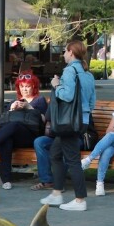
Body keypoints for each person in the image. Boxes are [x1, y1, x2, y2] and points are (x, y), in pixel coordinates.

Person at [39, 41, 96, 212]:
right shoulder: (88, 74)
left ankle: (80, 200)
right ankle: (57, 193)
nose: (63, 54)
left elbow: (67, 95)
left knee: (72, 160)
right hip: (82, 120)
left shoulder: (70, 71)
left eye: (65, 51)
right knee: (55, 154)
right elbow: (92, 101)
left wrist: (56, 85)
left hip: (69, 122)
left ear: (71, 52)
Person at [0, 72, 47, 189]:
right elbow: (3, 122)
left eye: (27, 86)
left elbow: (43, 120)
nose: (24, 89)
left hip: (31, 136)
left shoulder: (39, 100)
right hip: (14, 135)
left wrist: (28, 107)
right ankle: (6, 180)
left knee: (14, 125)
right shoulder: (13, 102)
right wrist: (11, 110)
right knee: (6, 139)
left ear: (33, 87)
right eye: (22, 86)